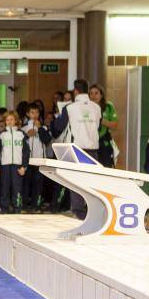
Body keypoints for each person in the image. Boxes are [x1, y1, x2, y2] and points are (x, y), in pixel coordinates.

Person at [52, 79, 101, 219]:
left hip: (77, 149)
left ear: (75, 91)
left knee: (76, 181)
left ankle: (79, 213)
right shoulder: (97, 108)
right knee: (90, 182)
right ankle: (93, 212)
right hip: (93, 149)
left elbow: (58, 127)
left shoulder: (70, 108)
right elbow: (98, 127)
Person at [0, 111, 29, 213]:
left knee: (17, 188)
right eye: (7, 120)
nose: (9, 121)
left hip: (17, 165)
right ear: (5, 121)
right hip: (5, 165)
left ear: (16, 121)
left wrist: (24, 166)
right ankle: (4, 208)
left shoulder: (21, 134)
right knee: (4, 188)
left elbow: (26, 151)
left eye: (11, 119)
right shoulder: (2, 135)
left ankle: (17, 208)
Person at [21, 102, 51, 211]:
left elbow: (47, 140)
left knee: (38, 186)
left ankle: (36, 206)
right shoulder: (23, 128)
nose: (34, 115)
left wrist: (40, 129)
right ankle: (24, 206)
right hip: (27, 161)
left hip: (40, 160)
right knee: (26, 185)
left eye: (37, 112)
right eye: (32, 112)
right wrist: (26, 135)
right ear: (28, 114)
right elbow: (19, 143)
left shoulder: (43, 127)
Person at [89, 84, 118, 167]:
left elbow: (115, 125)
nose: (93, 96)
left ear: (101, 95)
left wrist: (100, 119)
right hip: (90, 144)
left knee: (106, 168)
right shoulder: (87, 108)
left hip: (104, 143)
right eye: (91, 93)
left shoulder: (108, 106)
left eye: (96, 93)